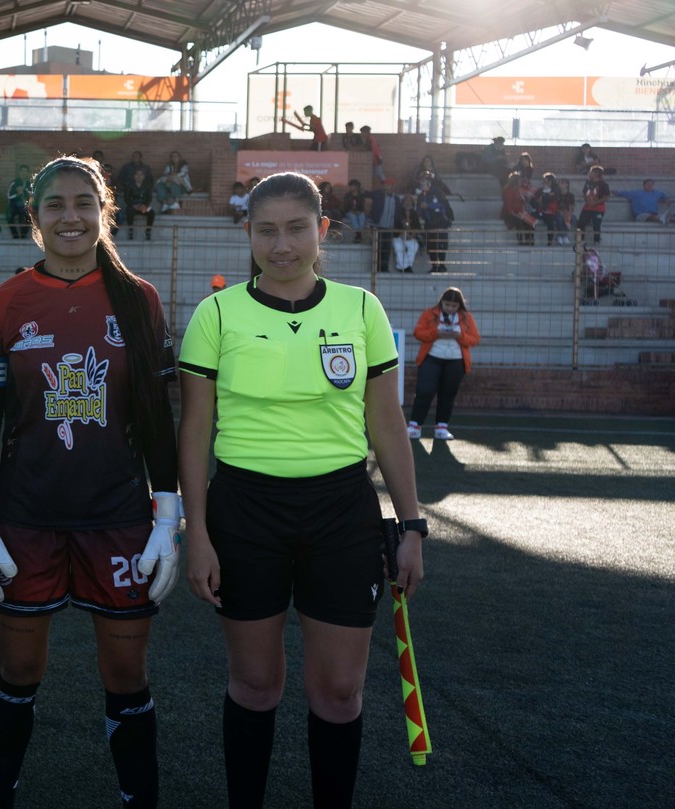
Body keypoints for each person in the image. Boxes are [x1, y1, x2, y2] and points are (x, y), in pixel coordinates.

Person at [177, 171, 425, 809]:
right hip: (244, 513)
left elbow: (387, 423)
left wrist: (412, 526)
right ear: (249, 234)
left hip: (342, 513)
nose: (281, 245)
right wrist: (196, 533)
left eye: (295, 229)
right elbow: (196, 429)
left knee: (340, 692)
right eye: (266, 231)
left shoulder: (361, 308)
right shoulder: (217, 313)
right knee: (256, 684)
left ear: (322, 231)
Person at [0, 155, 179, 809]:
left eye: (83, 202)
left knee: (125, 673)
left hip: (118, 518)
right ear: (34, 219)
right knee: (19, 670)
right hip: (27, 518)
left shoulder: (138, 299)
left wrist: (167, 516)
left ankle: (138, 796)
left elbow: (156, 419)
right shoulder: (4, 304)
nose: (70, 216)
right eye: (54, 204)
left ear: (104, 211)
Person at [408, 287, 480, 441]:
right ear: (441, 302)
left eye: (454, 306)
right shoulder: (429, 313)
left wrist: (460, 336)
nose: (450, 308)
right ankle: (415, 426)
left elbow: (474, 339)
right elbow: (418, 333)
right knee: (425, 391)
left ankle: (441, 427)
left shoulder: (467, 317)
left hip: (456, 360)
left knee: (448, 394)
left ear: (459, 306)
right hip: (432, 357)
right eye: (447, 305)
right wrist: (436, 333)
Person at [576, 165, 610, 246]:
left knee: (596, 224)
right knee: (580, 223)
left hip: (598, 208)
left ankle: (597, 241)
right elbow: (584, 193)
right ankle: (581, 240)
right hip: (587, 207)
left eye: (591, 172)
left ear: (596, 173)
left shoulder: (603, 184)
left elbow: (607, 196)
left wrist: (596, 202)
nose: (589, 173)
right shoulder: (588, 182)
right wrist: (587, 201)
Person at [501, 172, 536, 246]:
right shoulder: (508, 190)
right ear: (515, 181)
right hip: (510, 213)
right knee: (519, 222)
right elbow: (508, 205)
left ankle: (529, 240)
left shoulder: (519, 190)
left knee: (530, 222)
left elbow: (522, 202)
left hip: (520, 212)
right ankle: (521, 241)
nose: (521, 182)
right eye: (520, 180)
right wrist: (516, 215)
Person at [121, 166, 157, 240]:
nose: (139, 176)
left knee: (151, 212)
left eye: (141, 175)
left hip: (143, 206)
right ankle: (130, 230)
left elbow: (149, 198)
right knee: (129, 212)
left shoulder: (147, 186)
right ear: (134, 176)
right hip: (133, 205)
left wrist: (145, 205)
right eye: (137, 175)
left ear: (143, 177)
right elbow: (126, 198)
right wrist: (133, 205)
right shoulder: (129, 185)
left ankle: (148, 231)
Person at [392, 194, 422, 272]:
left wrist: (413, 234)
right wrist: (401, 233)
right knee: (398, 246)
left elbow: (418, 227)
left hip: (410, 236)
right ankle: (406, 267)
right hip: (399, 236)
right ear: (402, 202)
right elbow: (394, 226)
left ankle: (402, 267)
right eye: (406, 201)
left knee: (415, 246)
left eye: (409, 201)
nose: (408, 203)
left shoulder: (414, 214)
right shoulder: (397, 213)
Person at [6, 164, 31, 239]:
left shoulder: (30, 184)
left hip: (26, 206)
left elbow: (34, 195)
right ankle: (15, 235)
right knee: (9, 216)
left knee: (29, 217)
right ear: (19, 172)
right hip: (14, 205)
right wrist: (17, 194)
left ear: (28, 173)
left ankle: (23, 235)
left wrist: (25, 191)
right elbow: (9, 196)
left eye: (25, 171)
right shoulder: (14, 183)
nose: (23, 173)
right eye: (22, 171)